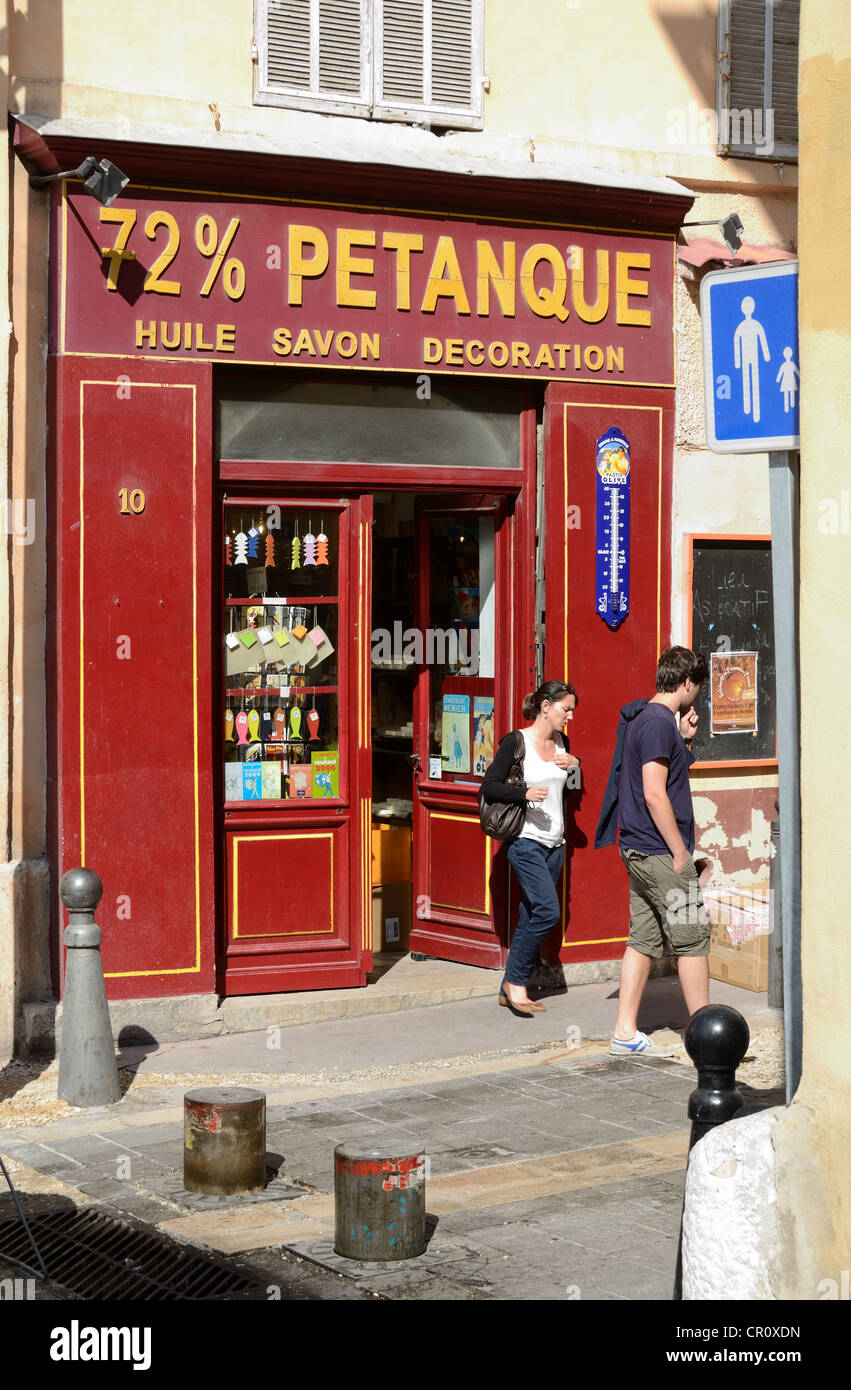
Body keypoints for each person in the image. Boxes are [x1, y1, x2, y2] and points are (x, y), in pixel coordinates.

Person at [610, 646, 710, 1056]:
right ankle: (709, 1038)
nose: (696, 698)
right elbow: (655, 794)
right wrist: (680, 852)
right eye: (698, 689)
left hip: (641, 849)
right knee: (693, 939)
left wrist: (684, 739)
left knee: (644, 940)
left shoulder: (650, 721)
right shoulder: (656, 724)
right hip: (659, 852)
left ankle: (624, 1033)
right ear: (686, 683)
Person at [482, 680, 580, 1017]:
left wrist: (575, 767)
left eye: (571, 710)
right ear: (545, 707)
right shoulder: (516, 741)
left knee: (531, 912)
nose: (569, 716)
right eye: (565, 709)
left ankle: (509, 984)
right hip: (524, 841)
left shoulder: (563, 742)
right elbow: (490, 785)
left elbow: (569, 790)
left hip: (555, 843)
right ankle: (517, 986)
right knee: (548, 911)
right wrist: (523, 794)